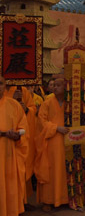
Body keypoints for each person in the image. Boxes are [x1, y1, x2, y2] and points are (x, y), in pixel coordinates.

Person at [35, 76, 70, 212]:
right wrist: (56, 128)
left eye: (58, 85)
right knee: (50, 170)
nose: (55, 88)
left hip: (67, 141)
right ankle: (48, 200)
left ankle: (65, 198)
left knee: (65, 169)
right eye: (54, 85)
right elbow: (41, 121)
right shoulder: (48, 102)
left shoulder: (70, 102)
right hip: (51, 141)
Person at [0, 75, 29, 216]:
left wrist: (17, 135)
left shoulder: (14, 105)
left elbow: (23, 128)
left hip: (8, 153)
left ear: (5, 86)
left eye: (0, 83)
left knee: (7, 184)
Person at [6, 85, 36, 204]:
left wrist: (27, 110)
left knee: (21, 169)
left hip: (19, 139)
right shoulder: (5, 93)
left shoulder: (23, 90)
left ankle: (22, 201)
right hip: (5, 140)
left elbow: (33, 108)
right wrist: (12, 100)